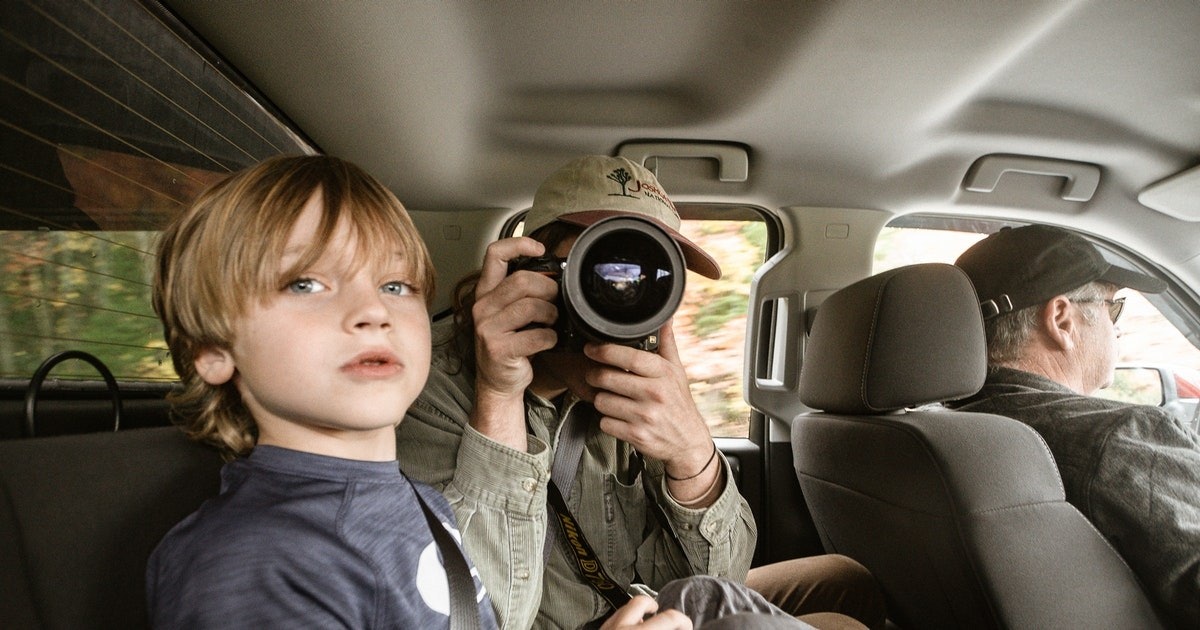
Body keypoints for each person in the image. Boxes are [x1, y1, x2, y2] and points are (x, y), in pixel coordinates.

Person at [396, 155, 886, 629]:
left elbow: (717, 582)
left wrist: (692, 454)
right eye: (598, 270)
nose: (619, 299)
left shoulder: (640, 376)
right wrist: (499, 395)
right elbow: (469, 614)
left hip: (639, 604)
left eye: (647, 278)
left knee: (845, 580)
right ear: (534, 269)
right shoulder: (428, 382)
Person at [145, 155, 499, 628]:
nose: (374, 311)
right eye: (306, 283)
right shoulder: (255, 565)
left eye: (396, 285)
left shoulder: (420, 500)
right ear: (211, 350)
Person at [950, 224, 1200, 628]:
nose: (1117, 326)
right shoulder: (1122, 437)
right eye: (1112, 306)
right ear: (1062, 320)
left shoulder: (939, 428)